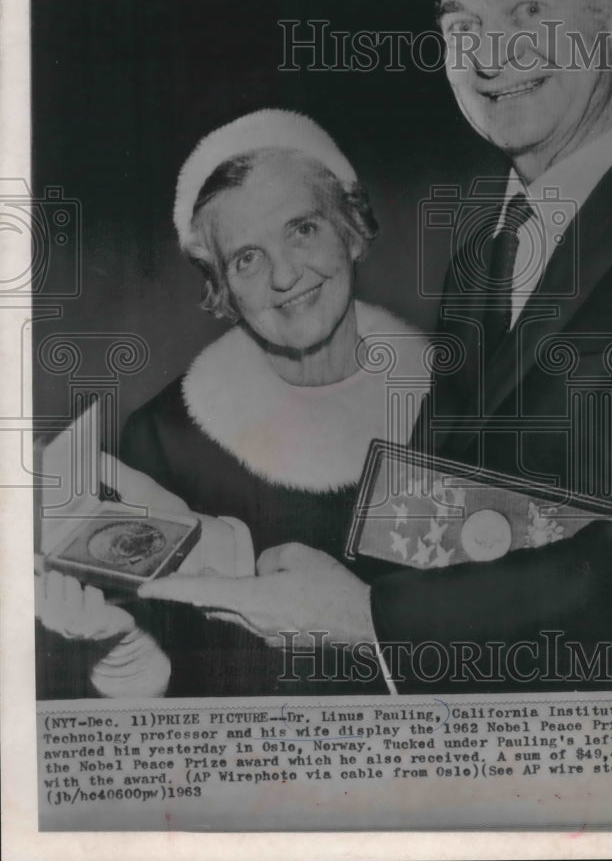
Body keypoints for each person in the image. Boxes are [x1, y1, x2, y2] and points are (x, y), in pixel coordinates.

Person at [145, 0, 612, 693]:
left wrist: (366, 620)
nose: (488, 56)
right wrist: (313, 576)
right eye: (460, 27)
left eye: (527, 9)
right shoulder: (482, 252)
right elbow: (448, 507)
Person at [36, 109, 429, 697]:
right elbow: (181, 696)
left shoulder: (461, 395)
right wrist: (128, 658)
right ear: (221, 288)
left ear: (350, 227)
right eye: (246, 257)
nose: (285, 275)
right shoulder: (165, 441)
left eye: (302, 229)